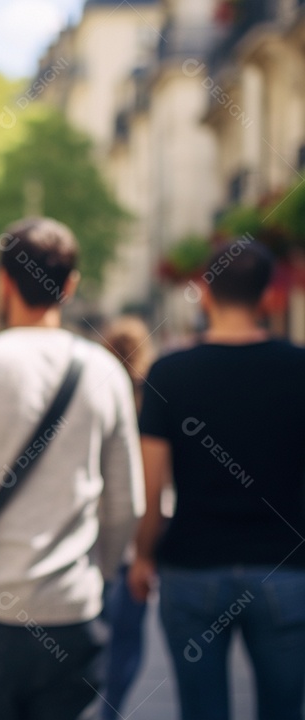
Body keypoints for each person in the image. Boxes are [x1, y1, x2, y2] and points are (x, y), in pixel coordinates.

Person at [0, 217, 144, 720]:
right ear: (70, 286)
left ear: (2, 282)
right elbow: (126, 503)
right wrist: (99, 575)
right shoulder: (105, 371)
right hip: (75, 614)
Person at [128, 240, 305, 720]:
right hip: (286, 568)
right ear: (270, 297)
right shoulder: (298, 368)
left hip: (193, 568)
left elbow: (151, 485)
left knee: (201, 709)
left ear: (203, 293)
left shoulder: (170, 372)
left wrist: (143, 555)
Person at [97, 315, 154, 720]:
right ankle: (109, 710)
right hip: (132, 543)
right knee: (127, 645)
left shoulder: (95, 393)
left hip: (93, 539)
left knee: (97, 638)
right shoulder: (149, 401)